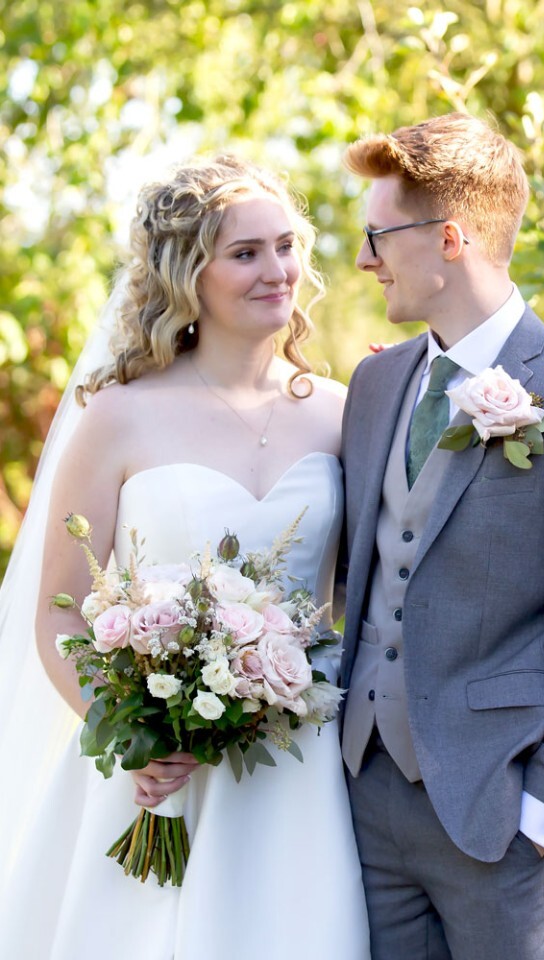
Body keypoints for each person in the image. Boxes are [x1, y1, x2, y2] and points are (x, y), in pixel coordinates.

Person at [0, 155, 370, 959]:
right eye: (245, 254)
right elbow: (60, 609)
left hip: (299, 767)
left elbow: (367, 593)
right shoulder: (119, 418)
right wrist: (131, 735)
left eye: (285, 246)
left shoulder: (344, 414)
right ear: (186, 275)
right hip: (156, 775)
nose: (277, 272)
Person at [339, 112, 544, 959]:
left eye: (377, 235)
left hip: (502, 812)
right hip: (365, 802)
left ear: (448, 238)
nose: (364, 260)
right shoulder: (373, 384)